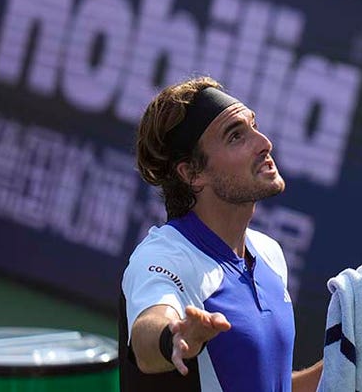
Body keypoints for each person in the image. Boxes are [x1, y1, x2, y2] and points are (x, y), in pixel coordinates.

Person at [119, 77, 323, 390]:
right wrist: (174, 336)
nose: (264, 142)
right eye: (236, 136)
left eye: (253, 126)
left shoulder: (269, 254)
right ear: (192, 174)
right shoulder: (164, 257)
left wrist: (351, 354)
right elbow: (149, 332)